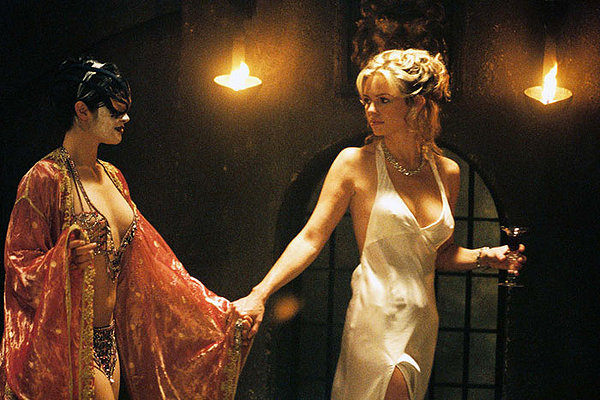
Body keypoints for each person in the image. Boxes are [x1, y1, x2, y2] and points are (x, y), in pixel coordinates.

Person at [234, 49, 526, 400]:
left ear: (416, 104)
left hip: (422, 322)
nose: (371, 110)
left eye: (384, 100)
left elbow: (438, 254)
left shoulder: (447, 172)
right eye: (367, 101)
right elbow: (311, 237)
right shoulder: (354, 164)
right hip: (375, 317)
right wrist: (260, 294)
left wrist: (487, 256)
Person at [1, 57, 251, 400]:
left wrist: (217, 314)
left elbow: (156, 263)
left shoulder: (115, 177)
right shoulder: (45, 178)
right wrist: (62, 259)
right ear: (82, 110)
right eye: (116, 111)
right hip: (68, 343)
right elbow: (18, 264)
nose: (126, 119)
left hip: (110, 341)